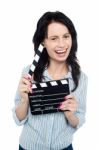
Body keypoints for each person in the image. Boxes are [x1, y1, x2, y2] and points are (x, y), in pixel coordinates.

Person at [12, 11, 88, 150]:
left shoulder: (80, 78)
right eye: (53, 38)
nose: (61, 44)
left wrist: (70, 114)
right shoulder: (29, 73)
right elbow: (18, 119)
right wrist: (24, 100)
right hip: (30, 147)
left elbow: (79, 119)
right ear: (43, 42)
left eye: (66, 36)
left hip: (63, 147)